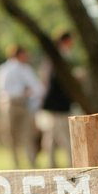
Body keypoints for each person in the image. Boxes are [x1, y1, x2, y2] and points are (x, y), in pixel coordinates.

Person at [0, 45, 44, 169]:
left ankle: (32, 163)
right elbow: (1, 89)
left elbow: (37, 88)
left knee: (28, 135)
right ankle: (15, 164)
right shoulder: (4, 69)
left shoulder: (26, 69)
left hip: (23, 104)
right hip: (9, 104)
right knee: (10, 136)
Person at [38, 31, 76, 168]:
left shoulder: (50, 56)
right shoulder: (61, 55)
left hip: (52, 102)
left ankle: (51, 164)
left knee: (51, 135)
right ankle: (70, 163)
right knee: (64, 135)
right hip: (59, 102)